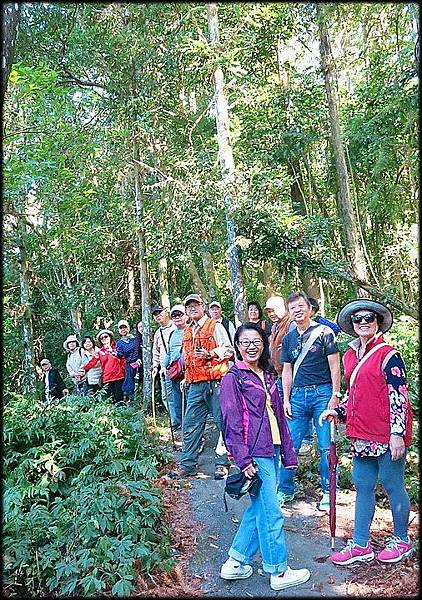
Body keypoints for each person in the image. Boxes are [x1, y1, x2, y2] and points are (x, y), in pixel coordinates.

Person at [320, 299, 414, 565]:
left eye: (368, 318)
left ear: (377, 323)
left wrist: (397, 434)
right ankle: (361, 544)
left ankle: (402, 540)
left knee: (393, 484)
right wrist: (338, 412)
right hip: (360, 431)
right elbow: (356, 395)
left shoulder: (389, 354)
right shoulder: (350, 356)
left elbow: (399, 396)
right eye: (358, 319)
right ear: (352, 325)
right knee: (362, 485)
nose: (363, 323)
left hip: (386, 433)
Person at [219, 323, 310, 591]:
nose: (251, 346)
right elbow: (230, 421)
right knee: (271, 512)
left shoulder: (267, 374)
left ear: (263, 344)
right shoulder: (233, 377)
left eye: (256, 341)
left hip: (274, 448)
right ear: (237, 346)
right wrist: (243, 460)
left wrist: (289, 452)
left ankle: (235, 562)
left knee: (259, 507)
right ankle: (278, 571)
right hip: (255, 452)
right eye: (245, 341)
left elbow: (279, 415)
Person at [278, 291, 341, 510]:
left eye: (300, 306)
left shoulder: (325, 333)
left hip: (322, 393)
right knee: (290, 445)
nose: (297, 310)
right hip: (297, 395)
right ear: (289, 311)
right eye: (292, 307)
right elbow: (287, 370)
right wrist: (285, 398)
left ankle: (328, 492)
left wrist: (335, 394)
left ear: (310, 308)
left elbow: (335, 365)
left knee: (326, 445)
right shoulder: (288, 338)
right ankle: (285, 489)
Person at [168, 293, 234, 480]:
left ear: (203, 306)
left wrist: (211, 353)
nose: (192, 308)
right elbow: (186, 358)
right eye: (189, 306)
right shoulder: (187, 331)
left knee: (223, 423)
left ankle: (222, 463)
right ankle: (187, 464)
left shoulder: (216, 326)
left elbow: (229, 349)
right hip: (195, 385)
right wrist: (184, 376)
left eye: (195, 305)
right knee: (190, 425)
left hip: (216, 383)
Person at [301, 297, 341, 452]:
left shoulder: (321, 324)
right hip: (304, 379)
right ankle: (308, 439)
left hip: (322, 374)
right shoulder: (298, 327)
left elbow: (335, 329)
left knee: (323, 419)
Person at [81, 329, 125, 404]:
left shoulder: (117, 348)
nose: (104, 339)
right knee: (110, 400)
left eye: (106, 336)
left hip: (119, 377)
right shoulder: (100, 352)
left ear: (110, 337)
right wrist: (83, 370)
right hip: (107, 378)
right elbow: (92, 363)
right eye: (102, 338)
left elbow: (123, 360)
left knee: (119, 399)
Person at [163, 304, 188, 432]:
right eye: (174, 315)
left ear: (186, 315)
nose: (177, 317)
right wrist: (164, 367)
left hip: (188, 372)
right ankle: (182, 427)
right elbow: (169, 352)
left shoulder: (191, 330)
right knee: (177, 401)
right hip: (174, 372)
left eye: (180, 314)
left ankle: (192, 431)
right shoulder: (173, 333)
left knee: (189, 403)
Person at [264, 296, 294, 395]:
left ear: (283, 308)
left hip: (292, 376)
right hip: (279, 375)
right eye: (269, 312)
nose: (271, 314)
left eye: (274, 310)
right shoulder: (274, 327)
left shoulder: (291, 323)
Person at [151, 305, 177, 415]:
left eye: (160, 313)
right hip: (164, 370)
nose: (158, 316)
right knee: (166, 396)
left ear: (166, 312)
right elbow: (155, 351)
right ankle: (175, 421)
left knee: (180, 395)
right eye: (155, 315)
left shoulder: (176, 327)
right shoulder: (158, 332)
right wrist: (155, 366)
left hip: (178, 367)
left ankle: (184, 420)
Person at [116, 319, 141, 404]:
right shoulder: (119, 343)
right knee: (130, 384)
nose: (123, 330)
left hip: (140, 363)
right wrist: (114, 353)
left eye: (125, 327)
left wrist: (138, 358)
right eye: (121, 328)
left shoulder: (135, 339)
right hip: (129, 365)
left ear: (128, 328)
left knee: (141, 382)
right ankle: (132, 402)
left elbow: (139, 350)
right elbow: (119, 355)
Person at [136, 321, 144, 390]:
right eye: (139, 327)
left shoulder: (153, 336)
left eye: (142, 326)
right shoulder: (137, 340)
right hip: (142, 364)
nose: (141, 328)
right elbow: (137, 351)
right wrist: (138, 358)